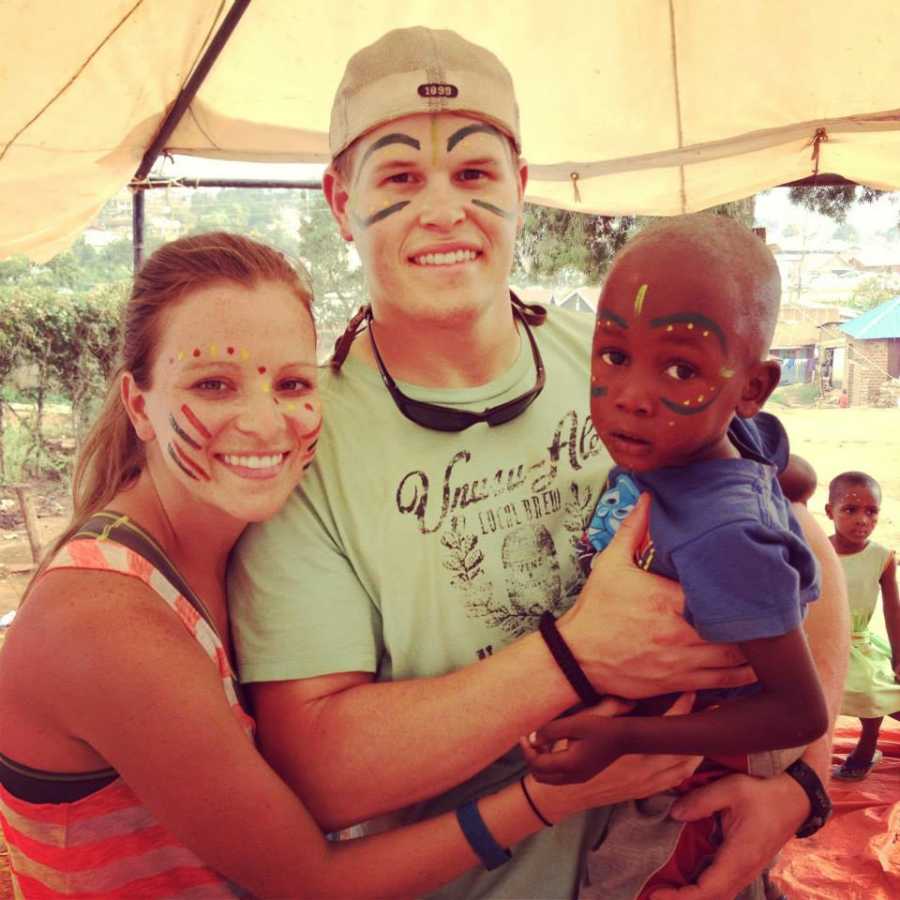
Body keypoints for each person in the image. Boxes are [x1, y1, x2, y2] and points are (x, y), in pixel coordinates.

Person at [228, 27, 848, 900]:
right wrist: (578, 653)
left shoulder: (623, 356)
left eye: (475, 174)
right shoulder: (304, 447)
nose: (444, 210)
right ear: (340, 201)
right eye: (400, 178)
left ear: (520, 190)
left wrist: (803, 786)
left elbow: (802, 552)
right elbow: (324, 771)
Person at [0, 233, 696, 899]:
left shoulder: (241, 547)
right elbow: (309, 883)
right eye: (214, 385)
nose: (264, 422)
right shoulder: (106, 622)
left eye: (293, 384)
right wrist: (548, 797)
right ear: (137, 404)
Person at [521, 215, 828, 897]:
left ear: (751, 386)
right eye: (613, 355)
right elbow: (777, 453)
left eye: (681, 368)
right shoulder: (728, 437)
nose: (631, 396)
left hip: (694, 787)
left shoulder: (722, 535)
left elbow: (800, 710)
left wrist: (624, 740)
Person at [826, 470, 900, 780]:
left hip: (859, 643)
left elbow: (892, 609)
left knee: (873, 692)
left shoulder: (882, 557)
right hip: (823, 640)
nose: (862, 520)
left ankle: (868, 746)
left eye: (872, 511)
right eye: (850, 509)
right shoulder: (817, 551)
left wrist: (899, 654)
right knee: (816, 699)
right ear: (831, 511)